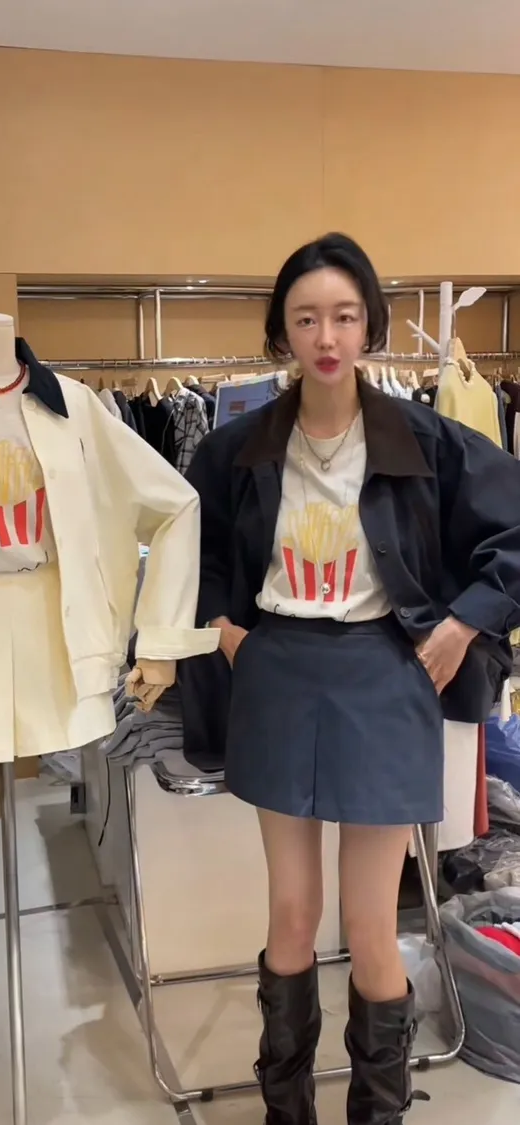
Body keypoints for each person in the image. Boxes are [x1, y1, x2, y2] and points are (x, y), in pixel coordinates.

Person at [185, 232, 520, 1125]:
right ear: (282, 331)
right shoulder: (237, 448)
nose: (326, 336)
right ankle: (286, 1112)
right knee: (292, 912)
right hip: (277, 674)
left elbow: (512, 532)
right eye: (306, 319)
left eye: (343, 315)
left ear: (370, 324)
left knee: (372, 922)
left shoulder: (429, 441)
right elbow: (194, 549)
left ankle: (378, 1114)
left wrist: (463, 622)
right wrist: (224, 625)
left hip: (385, 674)